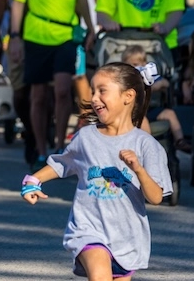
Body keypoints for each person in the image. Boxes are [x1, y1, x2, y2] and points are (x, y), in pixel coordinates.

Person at [21, 62, 172, 280]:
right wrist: (33, 180)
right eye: (93, 91)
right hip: (88, 231)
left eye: (102, 91)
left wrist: (139, 170)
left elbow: (156, 197)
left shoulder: (147, 145)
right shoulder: (86, 137)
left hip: (127, 238)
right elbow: (63, 163)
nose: (93, 98)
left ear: (128, 96)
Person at [8, 0, 95, 170]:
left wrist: (91, 27)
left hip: (66, 34)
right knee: (38, 96)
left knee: (61, 89)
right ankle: (40, 150)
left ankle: (59, 146)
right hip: (36, 34)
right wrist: (14, 36)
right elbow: (17, 2)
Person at [121, 46, 190, 153]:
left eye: (136, 64)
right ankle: (148, 148)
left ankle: (180, 140)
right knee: (143, 120)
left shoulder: (148, 76)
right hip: (133, 112)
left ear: (144, 64)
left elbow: (166, 83)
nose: (134, 68)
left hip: (150, 109)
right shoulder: (124, 79)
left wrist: (158, 84)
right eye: (130, 65)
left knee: (170, 113)